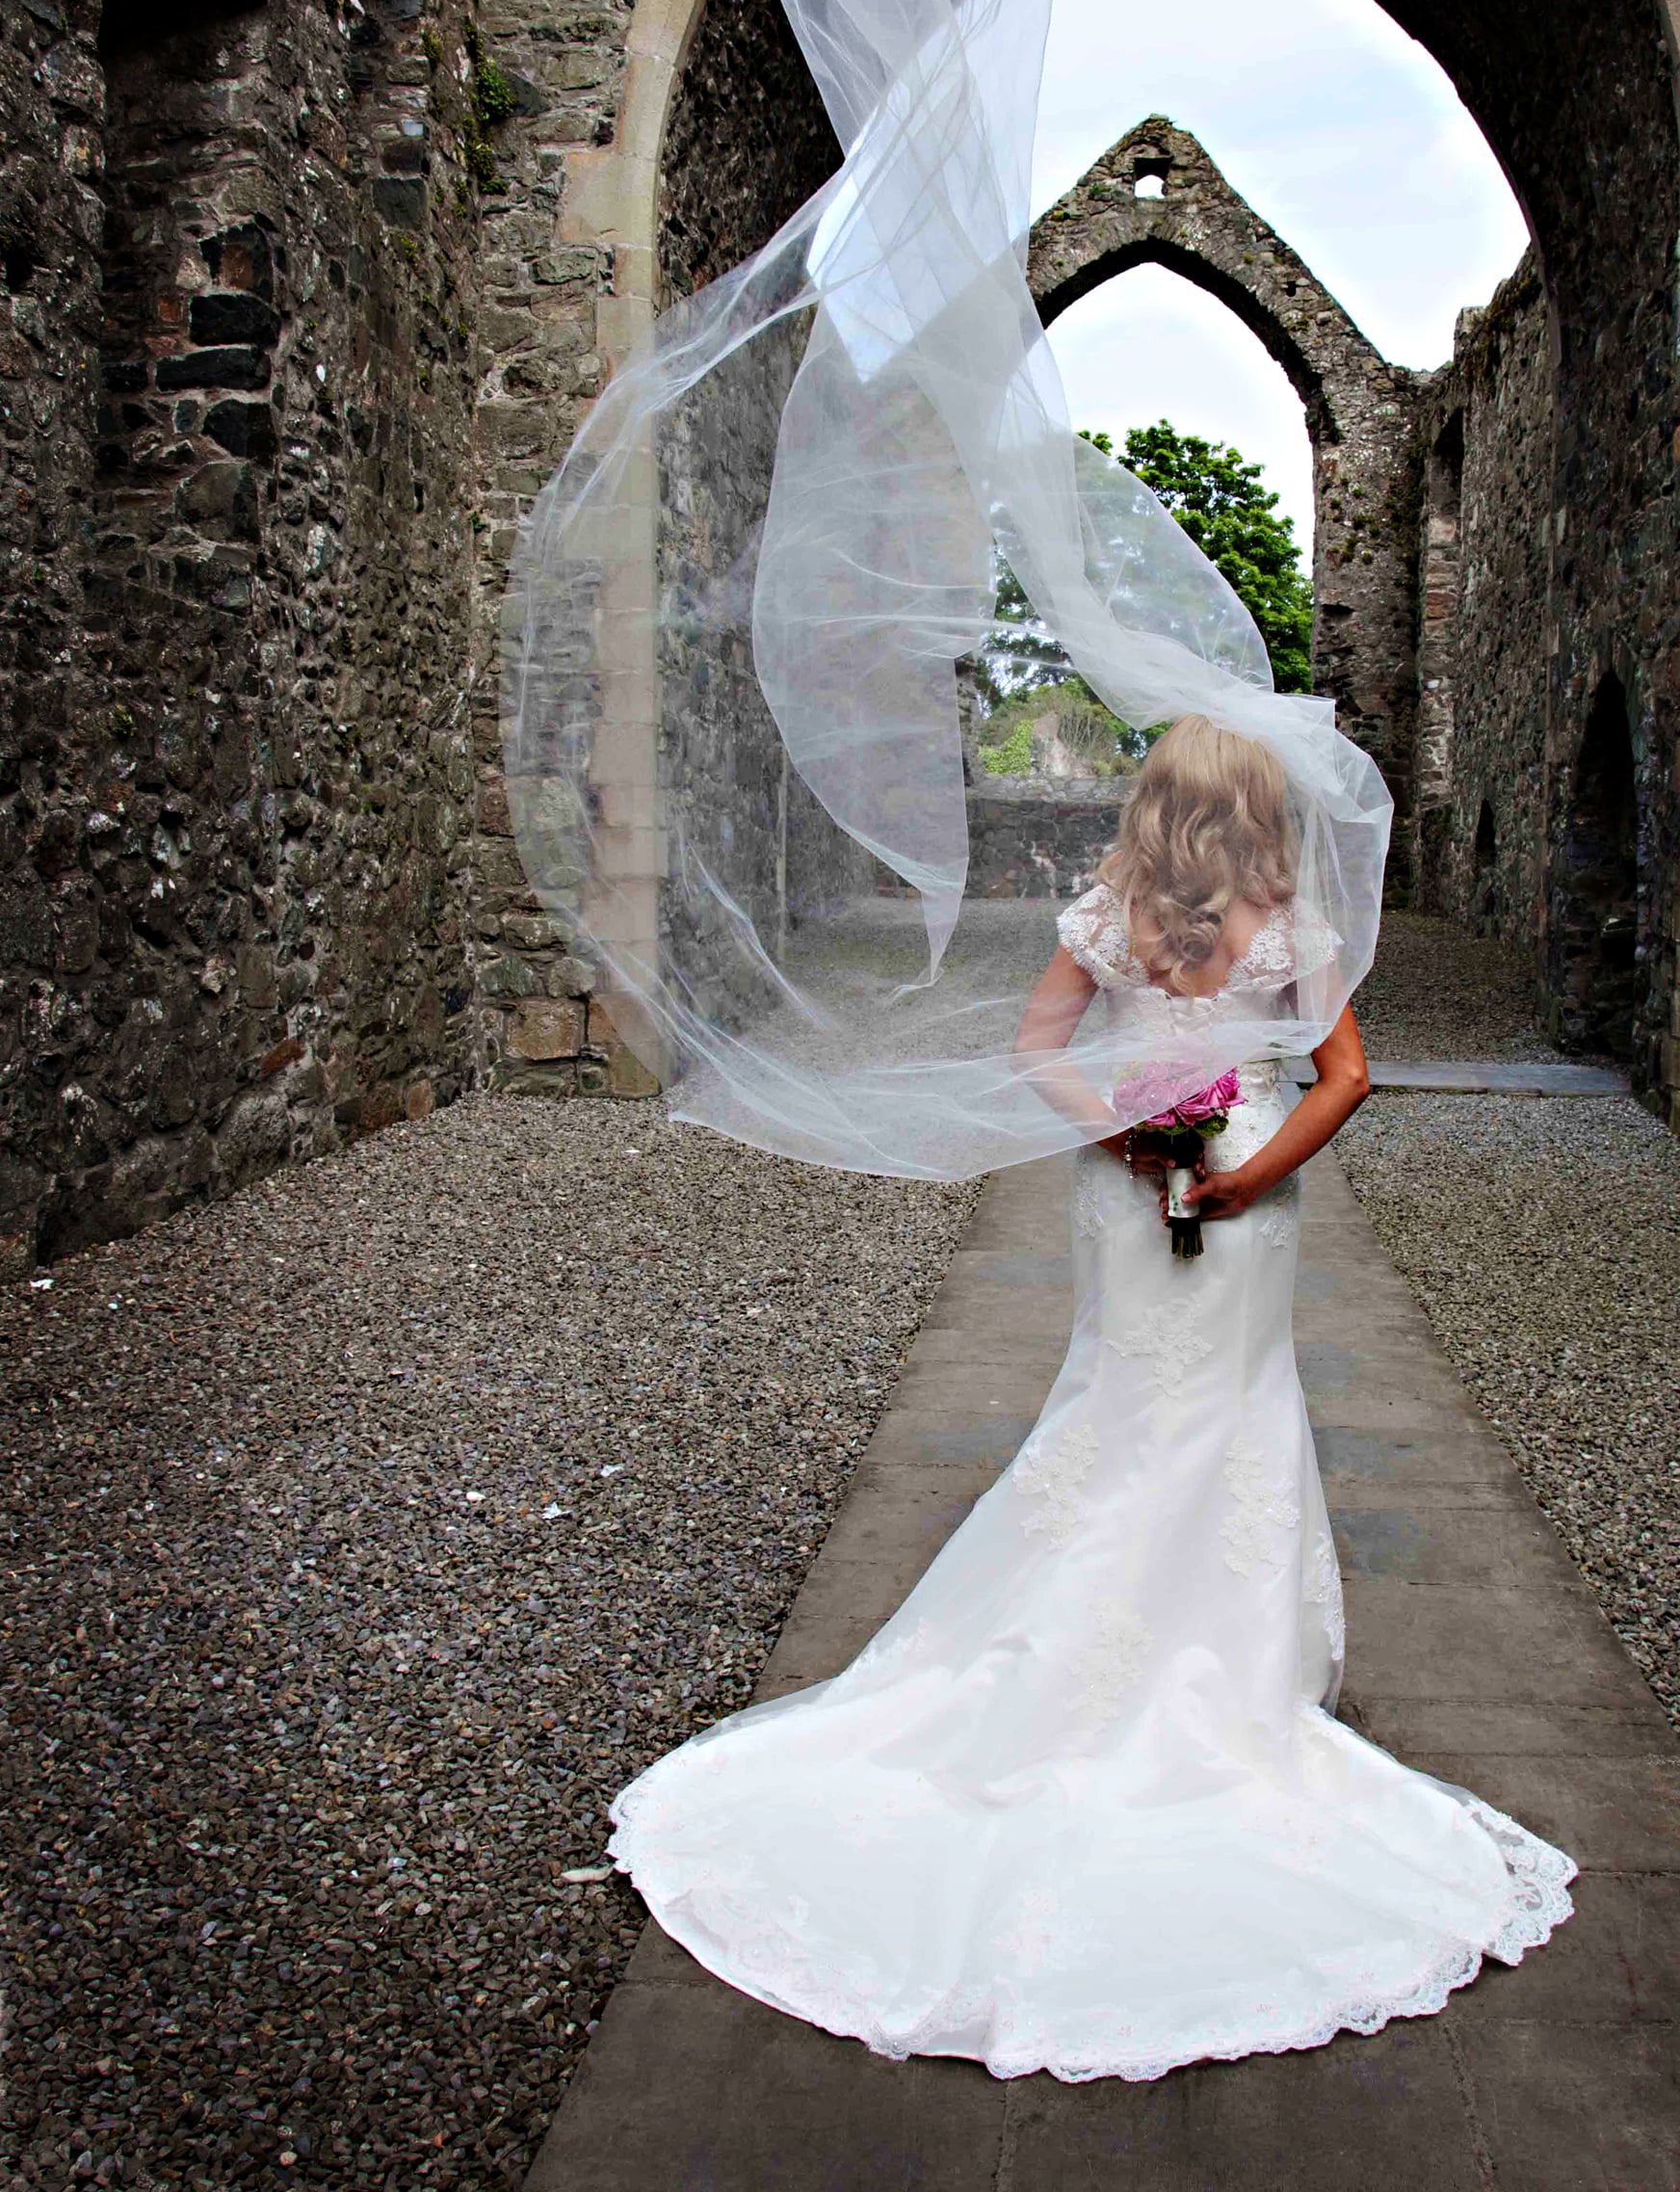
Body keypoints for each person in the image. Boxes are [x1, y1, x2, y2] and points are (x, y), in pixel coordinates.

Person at [607, 715, 1574, 2084]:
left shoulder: (1113, 918)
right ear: (1252, 807)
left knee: (1121, 1401)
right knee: (1230, 1405)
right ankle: (1229, 1672)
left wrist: (1119, 1130)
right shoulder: (1288, 926)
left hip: (1132, 1190)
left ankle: (1068, 1645)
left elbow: (1039, 1049)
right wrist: (1246, 1174)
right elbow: (1349, 1077)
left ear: (1160, 801)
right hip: (1244, 1181)